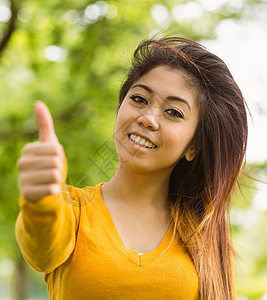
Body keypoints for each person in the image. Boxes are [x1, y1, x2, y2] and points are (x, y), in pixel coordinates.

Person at [16, 37, 247, 300]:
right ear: (119, 109)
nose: (147, 118)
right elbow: (41, 248)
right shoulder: (72, 210)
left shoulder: (204, 235)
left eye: (173, 112)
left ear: (193, 146)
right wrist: (41, 198)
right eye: (139, 98)